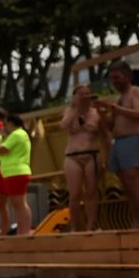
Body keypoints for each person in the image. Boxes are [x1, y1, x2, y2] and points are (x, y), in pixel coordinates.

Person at [97, 60, 139, 229]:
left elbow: (137, 113)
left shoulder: (138, 92)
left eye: (117, 77)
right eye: (112, 79)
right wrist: (101, 112)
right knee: (127, 186)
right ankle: (136, 222)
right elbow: (111, 126)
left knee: (134, 182)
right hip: (118, 142)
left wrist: (113, 107)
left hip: (133, 139)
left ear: (127, 76)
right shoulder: (118, 98)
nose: (115, 82)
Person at [61, 84, 108, 232]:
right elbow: (63, 125)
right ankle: (74, 226)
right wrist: (75, 108)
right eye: (81, 94)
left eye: (87, 94)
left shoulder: (95, 113)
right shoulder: (69, 111)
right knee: (74, 193)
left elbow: (105, 133)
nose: (84, 97)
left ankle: (91, 226)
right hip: (73, 156)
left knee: (92, 191)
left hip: (92, 154)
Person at [0, 112, 32, 235]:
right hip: (14, 173)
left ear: (10, 123)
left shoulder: (16, 134)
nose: (4, 127)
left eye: (5, 124)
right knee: (18, 204)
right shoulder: (20, 134)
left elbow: (2, 149)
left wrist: (3, 137)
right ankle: (22, 231)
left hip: (16, 172)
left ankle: (24, 231)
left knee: (19, 204)